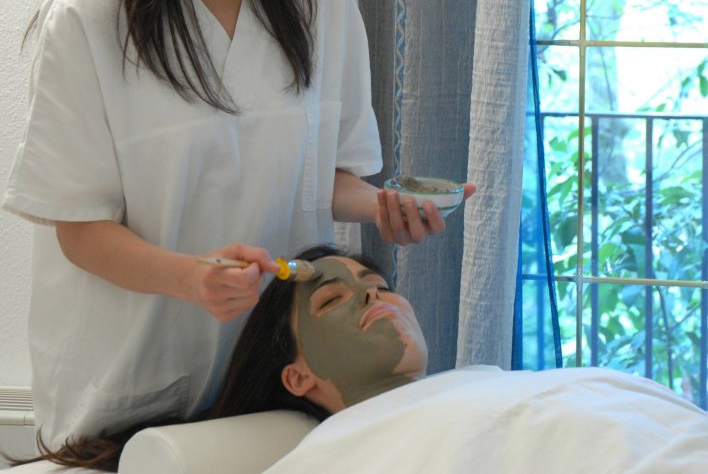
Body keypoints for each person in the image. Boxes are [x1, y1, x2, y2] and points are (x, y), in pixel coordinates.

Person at [2, 0, 476, 450]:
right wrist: (189, 278)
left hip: (275, 380)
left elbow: (321, 177)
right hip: (130, 379)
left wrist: (383, 207)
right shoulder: (91, 19)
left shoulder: (319, 1)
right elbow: (80, 228)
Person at [12, 245, 708, 473]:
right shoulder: (341, 456)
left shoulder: (493, 384)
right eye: (331, 300)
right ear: (297, 376)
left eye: (377, 285)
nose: (374, 294)